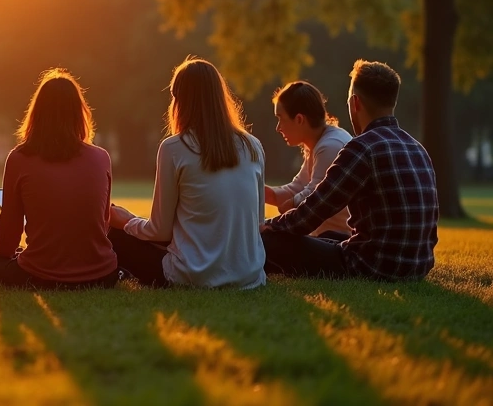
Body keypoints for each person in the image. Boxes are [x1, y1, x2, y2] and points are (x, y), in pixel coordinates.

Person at [263, 60, 439, 281]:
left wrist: (266, 227)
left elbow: (311, 213)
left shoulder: (362, 148)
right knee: (330, 236)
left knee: (272, 240)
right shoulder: (417, 148)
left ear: (354, 103)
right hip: (418, 266)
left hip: (371, 265)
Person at [109, 59, 266, 289]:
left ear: (179, 101)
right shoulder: (253, 146)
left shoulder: (174, 148)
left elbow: (159, 231)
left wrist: (127, 221)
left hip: (191, 276)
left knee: (114, 235)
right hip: (250, 277)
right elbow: (259, 223)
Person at [0, 69, 118, 289]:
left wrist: (11, 255)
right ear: (79, 113)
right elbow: (103, 221)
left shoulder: (19, 158)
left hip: (40, 274)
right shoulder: (101, 157)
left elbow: (8, 237)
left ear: (37, 113)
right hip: (102, 274)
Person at [265, 81, 352, 239]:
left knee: (270, 240)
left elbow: (313, 195)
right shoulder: (318, 143)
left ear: (299, 119)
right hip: (329, 238)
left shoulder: (330, 146)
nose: (278, 127)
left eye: (280, 118)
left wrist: (287, 206)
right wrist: (260, 192)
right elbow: (298, 187)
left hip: (340, 240)